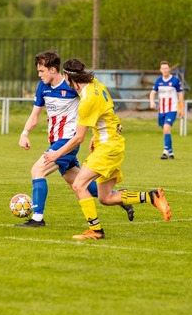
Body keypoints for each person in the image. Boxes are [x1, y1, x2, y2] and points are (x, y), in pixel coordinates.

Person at [44, 58, 171, 240]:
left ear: (68, 77)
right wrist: (97, 135)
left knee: (79, 185)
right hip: (113, 143)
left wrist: (56, 153)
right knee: (105, 198)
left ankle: (95, 230)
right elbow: (108, 111)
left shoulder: (87, 100)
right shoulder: (96, 84)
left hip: (109, 147)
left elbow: (78, 137)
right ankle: (152, 197)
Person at [17, 51, 134, 228]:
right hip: (55, 141)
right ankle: (120, 197)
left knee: (37, 170)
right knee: (80, 182)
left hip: (68, 141)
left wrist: (99, 131)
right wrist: (24, 134)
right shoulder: (42, 87)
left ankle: (38, 219)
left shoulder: (72, 86)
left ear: (53, 70)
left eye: (42, 71)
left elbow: (94, 105)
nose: (39, 75)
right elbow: (35, 115)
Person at [149, 61, 185, 160]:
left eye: (166, 68)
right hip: (161, 110)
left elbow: (180, 95)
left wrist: (181, 109)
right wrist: (151, 101)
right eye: (163, 68)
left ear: (169, 69)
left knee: (166, 128)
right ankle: (171, 152)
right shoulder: (158, 81)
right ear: (160, 70)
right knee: (166, 131)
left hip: (172, 109)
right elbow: (152, 92)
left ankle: (165, 152)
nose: (165, 70)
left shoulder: (175, 81)